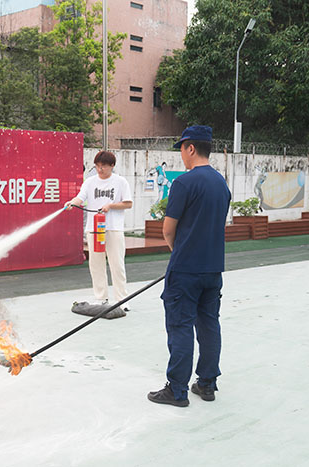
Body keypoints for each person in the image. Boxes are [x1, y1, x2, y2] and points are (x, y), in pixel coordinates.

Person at [147, 125, 231, 407]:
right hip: (213, 269)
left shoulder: (184, 183)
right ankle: (207, 384)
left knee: (180, 326)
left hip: (185, 271)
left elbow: (168, 230)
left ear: (191, 148)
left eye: (182, 149)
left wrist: (179, 253)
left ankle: (177, 390)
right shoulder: (221, 184)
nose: (181, 155)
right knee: (209, 325)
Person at [65, 150, 133, 308]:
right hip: (93, 229)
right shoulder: (90, 182)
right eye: (97, 166)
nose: (100, 169)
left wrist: (110, 206)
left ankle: (122, 300)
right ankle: (101, 298)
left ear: (112, 166)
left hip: (113, 228)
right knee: (96, 264)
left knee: (117, 264)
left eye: (103, 166)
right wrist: (72, 203)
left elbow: (128, 203)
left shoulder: (120, 182)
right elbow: (80, 198)